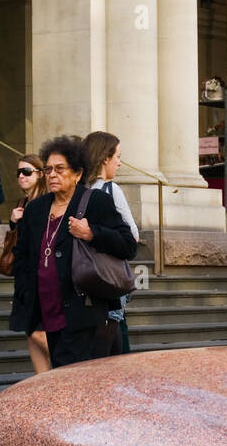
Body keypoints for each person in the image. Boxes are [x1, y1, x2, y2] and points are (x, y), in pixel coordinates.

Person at [9, 135, 137, 368]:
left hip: (82, 308)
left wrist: (92, 233)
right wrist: (26, 293)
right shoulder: (36, 208)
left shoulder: (95, 202)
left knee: (71, 373)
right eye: (48, 169)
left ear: (78, 173)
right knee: (60, 371)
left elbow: (128, 244)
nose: (52, 175)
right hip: (45, 308)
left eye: (60, 169)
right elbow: (23, 254)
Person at [84, 131, 139, 357]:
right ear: (104, 158)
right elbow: (132, 235)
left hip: (83, 275)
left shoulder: (79, 191)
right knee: (107, 349)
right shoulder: (110, 189)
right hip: (109, 277)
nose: (119, 162)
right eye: (117, 156)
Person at [7, 154, 50, 374]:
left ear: (40, 174)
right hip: (24, 276)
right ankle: (43, 381)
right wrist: (13, 222)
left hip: (42, 275)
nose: (21, 177)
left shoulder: (47, 202)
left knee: (39, 332)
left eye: (27, 172)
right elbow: (19, 239)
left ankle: (68, 366)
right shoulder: (23, 203)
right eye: (18, 173)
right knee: (29, 330)